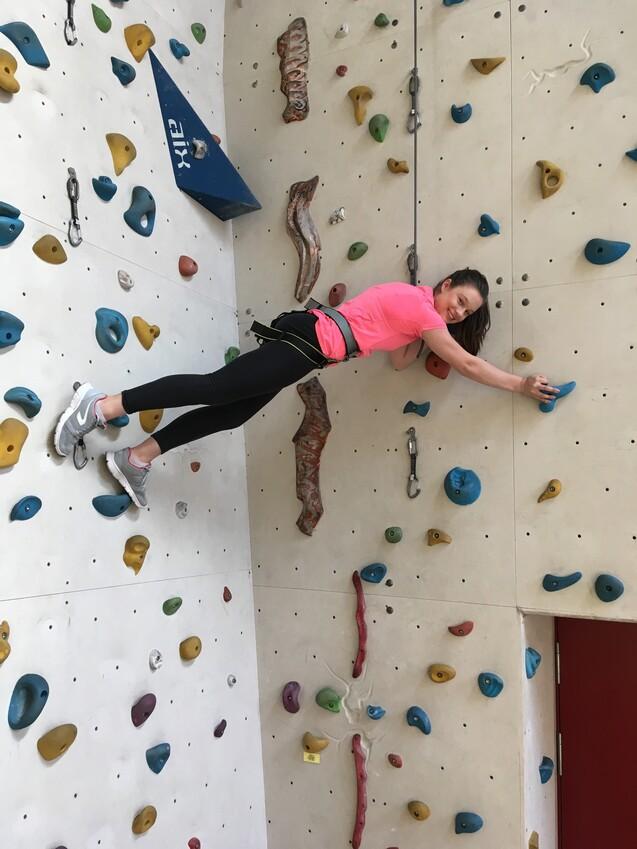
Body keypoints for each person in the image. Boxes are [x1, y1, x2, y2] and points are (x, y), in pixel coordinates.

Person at [53, 268, 558, 507]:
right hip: (308, 340)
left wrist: (426, 339)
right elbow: (464, 363)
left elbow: (401, 361)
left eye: (465, 313)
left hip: (311, 350)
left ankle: (135, 458)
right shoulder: (419, 306)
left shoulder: (417, 315)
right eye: (459, 300)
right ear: (445, 285)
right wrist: (518, 384)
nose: (457, 312)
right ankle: (100, 407)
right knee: (215, 388)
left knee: (231, 412)